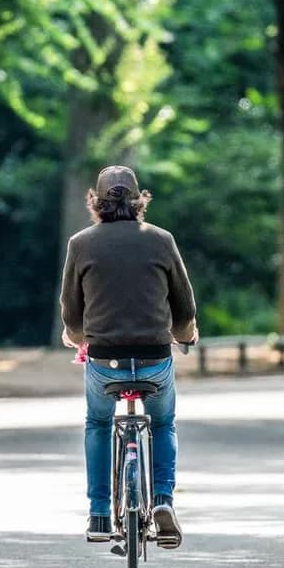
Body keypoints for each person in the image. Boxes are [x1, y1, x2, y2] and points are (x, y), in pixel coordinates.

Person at [59, 165, 198, 548]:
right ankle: (163, 501)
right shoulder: (162, 240)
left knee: (98, 424)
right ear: (140, 201)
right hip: (154, 357)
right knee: (163, 422)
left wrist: (76, 337)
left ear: (96, 203)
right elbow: (184, 306)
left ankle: (100, 513)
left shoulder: (80, 243)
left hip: (105, 361)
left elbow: (71, 312)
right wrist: (186, 334)